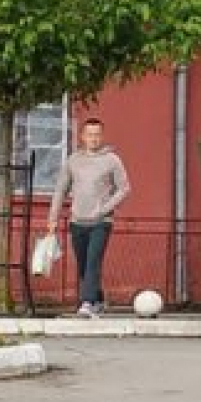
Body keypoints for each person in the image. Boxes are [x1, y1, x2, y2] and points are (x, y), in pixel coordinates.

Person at [47, 118, 131, 318]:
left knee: (93, 260)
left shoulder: (112, 160)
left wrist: (105, 208)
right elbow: (60, 190)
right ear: (82, 137)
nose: (93, 138)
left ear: (102, 136)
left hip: (101, 222)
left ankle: (86, 302)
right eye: (89, 134)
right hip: (77, 220)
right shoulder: (73, 161)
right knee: (84, 263)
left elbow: (124, 188)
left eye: (97, 134)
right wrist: (52, 218)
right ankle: (98, 299)